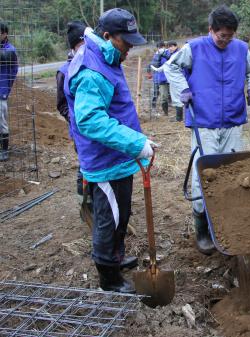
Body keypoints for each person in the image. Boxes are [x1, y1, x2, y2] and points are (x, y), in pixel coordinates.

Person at [64, 8, 155, 293]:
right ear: (106, 36)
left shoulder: (104, 56)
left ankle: (114, 259)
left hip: (117, 156)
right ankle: (109, 277)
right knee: (109, 219)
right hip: (105, 160)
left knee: (120, 215)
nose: (129, 48)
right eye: (125, 42)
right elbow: (90, 120)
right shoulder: (91, 70)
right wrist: (136, 143)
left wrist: (134, 142)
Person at [163, 5, 250, 255]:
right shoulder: (194, 48)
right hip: (203, 121)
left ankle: (228, 224)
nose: (226, 40)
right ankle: (203, 229)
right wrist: (183, 90)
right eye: (221, 36)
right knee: (203, 175)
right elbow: (171, 68)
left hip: (232, 120)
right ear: (211, 30)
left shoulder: (241, 49)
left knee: (232, 172)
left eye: (230, 35)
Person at [56, 21, 86, 196]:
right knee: (84, 164)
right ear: (74, 47)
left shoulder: (93, 64)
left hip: (97, 127)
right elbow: (61, 104)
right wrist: (75, 118)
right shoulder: (64, 71)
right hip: (78, 129)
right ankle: (83, 201)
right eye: (82, 45)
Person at [0, 22, 18, 162]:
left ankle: (4, 150)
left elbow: (13, 72)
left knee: (2, 122)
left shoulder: (10, 51)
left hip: (1, 92)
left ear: (5, 34)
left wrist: (6, 88)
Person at [148, 41, 169, 115]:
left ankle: (167, 110)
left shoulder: (167, 53)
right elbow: (152, 63)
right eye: (158, 48)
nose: (159, 49)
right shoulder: (156, 54)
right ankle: (153, 107)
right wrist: (149, 71)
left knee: (166, 94)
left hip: (165, 77)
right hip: (156, 77)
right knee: (156, 93)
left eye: (161, 47)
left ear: (164, 47)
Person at [165, 40, 184, 122]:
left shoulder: (178, 54)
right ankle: (178, 117)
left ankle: (179, 118)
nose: (170, 48)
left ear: (175, 46)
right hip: (175, 79)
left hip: (178, 79)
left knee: (178, 97)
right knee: (176, 97)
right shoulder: (172, 54)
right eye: (169, 47)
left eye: (171, 46)